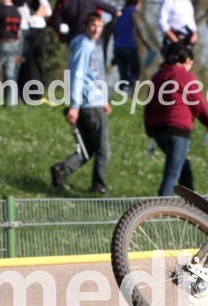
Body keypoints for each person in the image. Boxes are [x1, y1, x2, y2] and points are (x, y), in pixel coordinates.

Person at [143, 42, 208, 196]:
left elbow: (148, 106)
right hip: (178, 131)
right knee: (171, 174)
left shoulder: (157, 77)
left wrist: (149, 130)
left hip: (158, 131)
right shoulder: (184, 76)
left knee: (184, 169)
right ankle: (160, 208)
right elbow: (199, 105)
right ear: (186, 59)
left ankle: (194, 207)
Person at [50, 12, 111, 194]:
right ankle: (99, 186)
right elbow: (77, 75)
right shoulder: (84, 45)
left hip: (94, 101)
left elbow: (95, 76)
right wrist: (75, 105)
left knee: (88, 147)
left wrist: (104, 100)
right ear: (86, 26)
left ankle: (62, 170)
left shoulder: (91, 45)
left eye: (100, 26)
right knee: (102, 149)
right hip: (88, 104)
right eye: (93, 25)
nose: (96, 29)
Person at [112, 0, 151, 93]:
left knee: (123, 75)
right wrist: (145, 42)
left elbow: (114, 29)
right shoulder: (132, 11)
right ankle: (126, 90)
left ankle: (121, 95)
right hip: (128, 46)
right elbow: (137, 28)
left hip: (117, 47)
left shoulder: (121, 12)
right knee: (135, 72)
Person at [17, 0, 51, 100]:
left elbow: (48, 11)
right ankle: (22, 93)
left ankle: (36, 93)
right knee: (24, 62)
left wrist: (38, 13)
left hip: (39, 30)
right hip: (24, 30)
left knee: (38, 62)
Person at [53, 0, 118, 43]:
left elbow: (56, 23)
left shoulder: (65, 3)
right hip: (90, 38)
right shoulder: (92, 1)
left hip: (73, 38)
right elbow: (111, 9)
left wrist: (63, 31)